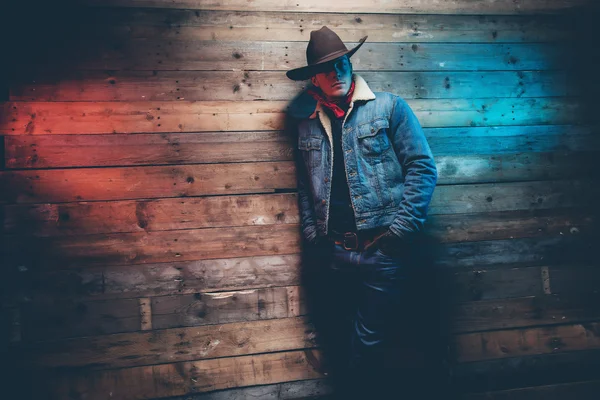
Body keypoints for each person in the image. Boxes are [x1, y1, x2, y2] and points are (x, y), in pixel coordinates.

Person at [285, 26, 438, 398]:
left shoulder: (389, 107)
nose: (337, 72)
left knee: (372, 342)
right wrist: (313, 236)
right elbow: (306, 186)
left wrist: (399, 234)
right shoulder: (306, 122)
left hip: (382, 249)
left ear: (350, 65)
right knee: (338, 338)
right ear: (314, 79)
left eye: (342, 64)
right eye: (327, 68)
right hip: (333, 252)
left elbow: (422, 167)